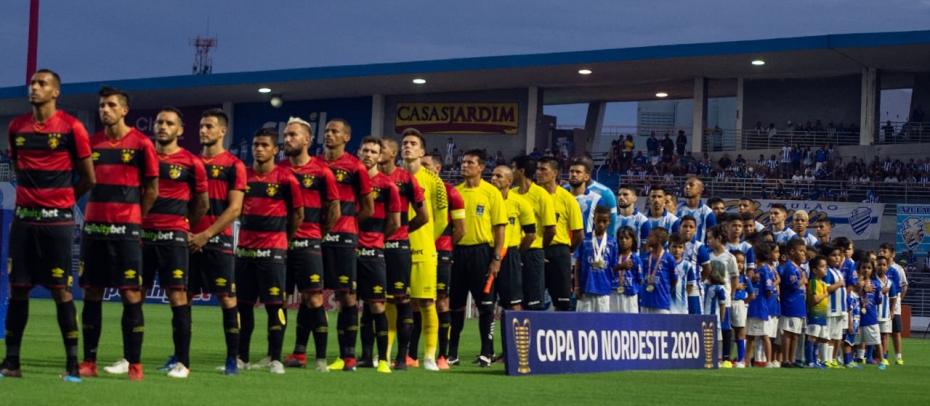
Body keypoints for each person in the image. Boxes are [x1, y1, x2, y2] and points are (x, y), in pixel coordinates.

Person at [1, 69, 95, 381]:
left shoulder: (72, 127)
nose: (34, 88)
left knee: (61, 291)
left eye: (41, 84)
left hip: (57, 225)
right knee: (18, 290)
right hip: (24, 223)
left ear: (55, 92)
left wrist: (62, 202)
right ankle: (11, 364)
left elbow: (88, 177)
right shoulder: (17, 126)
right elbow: (17, 165)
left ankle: (71, 366)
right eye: (32, 83)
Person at [79, 87, 159, 381]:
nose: (105, 110)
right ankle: (88, 361)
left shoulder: (141, 144)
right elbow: (83, 180)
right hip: (95, 231)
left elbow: (152, 189)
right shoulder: (91, 143)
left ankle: (135, 364)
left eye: (111, 105)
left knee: (131, 294)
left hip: (126, 232)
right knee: (91, 292)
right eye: (101, 105)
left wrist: (135, 218)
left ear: (124, 110)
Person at [144, 107, 209, 379]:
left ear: (180, 130)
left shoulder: (192, 163)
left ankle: (183, 362)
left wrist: (181, 224)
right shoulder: (143, 158)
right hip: (144, 238)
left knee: (178, 296)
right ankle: (129, 358)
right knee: (133, 294)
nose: (163, 127)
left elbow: (202, 205)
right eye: (159, 122)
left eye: (169, 123)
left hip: (173, 238)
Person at [235, 128, 303, 375]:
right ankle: (240, 357)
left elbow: (298, 214)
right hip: (245, 253)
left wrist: (284, 238)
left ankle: (276, 358)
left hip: (273, 254)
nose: (259, 149)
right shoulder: (243, 177)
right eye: (255, 144)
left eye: (264, 145)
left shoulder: (286, 179)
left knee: (275, 306)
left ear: (275, 150)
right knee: (243, 307)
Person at [187, 108, 247, 375]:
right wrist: (188, 232)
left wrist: (206, 234)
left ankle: (232, 360)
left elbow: (235, 209)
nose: (203, 131)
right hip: (188, 240)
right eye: (201, 126)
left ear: (222, 131)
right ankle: (180, 357)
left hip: (217, 242)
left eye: (209, 126)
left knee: (227, 299)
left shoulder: (234, 165)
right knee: (181, 298)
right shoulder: (190, 163)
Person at [279, 117, 340, 372]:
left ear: (307, 139)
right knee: (277, 301)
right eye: (285, 135)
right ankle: (276, 355)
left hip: (309, 243)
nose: (287, 139)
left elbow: (333, 210)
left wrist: (316, 234)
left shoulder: (322, 172)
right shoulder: (278, 169)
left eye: (293, 135)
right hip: (279, 245)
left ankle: (322, 359)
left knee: (314, 299)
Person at [321, 119, 373, 372]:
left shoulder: (356, 167)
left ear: (347, 137)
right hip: (316, 238)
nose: (329, 135)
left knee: (347, 295)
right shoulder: (316, 164)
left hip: (343, 239)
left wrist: (348, 225)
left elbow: (368, 207)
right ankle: (302, 352)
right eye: (327, 131)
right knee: (311, 293)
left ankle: (348, 356)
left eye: (335, 131)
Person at [397, 129, 448, 371]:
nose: (407, 146)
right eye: (405, 143)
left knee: (427, 302)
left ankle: (429, 356)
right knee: (395, 302)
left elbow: (441, 219)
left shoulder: (434, 181)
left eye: (413, 143)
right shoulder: (393, 176)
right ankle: (394, 354)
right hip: (396, 247)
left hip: (424, 248)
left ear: (422, 151)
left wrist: (426, 237)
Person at [452, 150, 506, 367]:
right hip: (458, 253)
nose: (465, 166)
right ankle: (451, 352)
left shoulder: (491, 193)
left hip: (482, 253)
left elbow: (500, 229)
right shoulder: (454, 192)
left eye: (470, 162)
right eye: (463, 162)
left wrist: (496, 258)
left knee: (485, 306)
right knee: (455, 306)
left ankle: (486, 352)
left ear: (481, 167)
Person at [377, 138, 427, 370]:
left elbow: (423, 215)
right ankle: (371, 355)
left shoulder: (406, 179)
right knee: (372, 300)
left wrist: (402, 231)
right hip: (372, 246)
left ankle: (402, 357)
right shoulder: (367, 176)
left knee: (402, 299)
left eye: (382, 149)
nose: (377, 152)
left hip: (397, 247)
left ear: (393, 153)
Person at [354, 137, 401, 374]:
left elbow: (395, 222)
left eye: (374, 151)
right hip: (350, 250)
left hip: (373, 252)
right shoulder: (349, 181)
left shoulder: (387, 186)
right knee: (352, 304)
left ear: (380, 155)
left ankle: (383, 359)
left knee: (377, 305)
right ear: (359, 152)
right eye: (366, 150)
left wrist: (378, 238)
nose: (369, 154)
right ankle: (359, 357)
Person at [418, 152, 465, 369]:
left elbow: (460, 229)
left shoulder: (450, 192)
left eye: (426, 165)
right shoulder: (413, 186)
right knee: (414, 301)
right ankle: (410, 354)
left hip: (441, 252)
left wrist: (444, 247)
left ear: (437, 169)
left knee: (441, 302)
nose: (422, 167)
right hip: (417, 249)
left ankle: (442, 356)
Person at [490, 164, 535, 358]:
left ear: (509, 181)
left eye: (499, 176)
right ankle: (487, 350)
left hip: (510, 255)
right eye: (492, 175)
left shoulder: (520, 203)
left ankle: (514, 350)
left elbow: (531, 234)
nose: (493, 179)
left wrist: (515, 252)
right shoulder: (486, 198)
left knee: (513, 303)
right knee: (487, 304)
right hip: (487, 253)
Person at [536, 156, 583, 311]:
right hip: (534, 251)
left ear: (555, 173)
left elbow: (578, 234)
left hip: (558, 251)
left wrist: (565, 250)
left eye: (543, 169)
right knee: (533, 300)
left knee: (562, 302)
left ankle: (560, 333)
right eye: (537, 169)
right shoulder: (531, 196)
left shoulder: (567, 199)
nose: (539, 172)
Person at [511, 155, 556, 311]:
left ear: (521, 171)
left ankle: (534, 334)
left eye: (513, 168)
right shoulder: (512, 194)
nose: (510, 172)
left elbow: (551, 229)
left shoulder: (541, 195)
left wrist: (539, 248)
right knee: (514, 300)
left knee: (534, 302)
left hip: (532, 252)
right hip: (514, 252)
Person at [574, 205, 618, 312]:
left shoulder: (612, 243)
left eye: (604, 221)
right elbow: (578, 264)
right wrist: (577, 286)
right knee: (583, 323)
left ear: (609, 222)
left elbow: (614, 266)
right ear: (594, 219)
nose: (601, 224)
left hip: (604, 290)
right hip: (586, 288)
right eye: (598, 221)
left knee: (602, 324)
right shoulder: (585, 240)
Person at [707, 227, 738, 367]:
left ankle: (726, 357)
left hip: (724, 298)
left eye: (710, 238)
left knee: (725, 327)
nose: (708, 241)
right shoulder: (708, 255)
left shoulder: (730, 257)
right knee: (711, 326)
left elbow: (734, 277)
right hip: (710, 297)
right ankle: (711, 355)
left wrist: (730, 294)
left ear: (719, 239)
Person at [567, 156, 617, 238]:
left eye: (578, 172)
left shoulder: (605, 194)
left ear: (587, 174)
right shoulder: (563, 191)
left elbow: (611, 224)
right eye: (571, 171)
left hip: (589, 243)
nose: (574, 174)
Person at [778, 238, 808, 368]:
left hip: (799, 305)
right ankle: (785, 359)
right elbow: (793, 285)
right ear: (792, 251)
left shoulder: (799, 268)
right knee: (788, 333)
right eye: (800, 251)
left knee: (795, 334)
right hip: (790, 304)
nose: (803, 254)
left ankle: (792, 358)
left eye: (804, 251)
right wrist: (802, 280)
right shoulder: (790, 267)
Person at [878, 243, 906, 365]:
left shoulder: (897, 269)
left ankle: (898, 356)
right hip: (881, 305)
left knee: (896, 331)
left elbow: (903, 286)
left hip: (894, 304)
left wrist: (898, 301)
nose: (881, 253)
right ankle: (884, 355)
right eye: (880, 251)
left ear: (892, 254)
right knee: (883, 331)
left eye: (884, 251)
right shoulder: (877, 267)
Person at [639, 228, 677, 314]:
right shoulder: (645, 257)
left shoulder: (669, 258)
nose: (648, 238)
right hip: (645, 302)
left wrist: (665, 291)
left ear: (659, 239)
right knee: (644, 327)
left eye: (650, 236)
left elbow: (674, 280)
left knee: (661, 327)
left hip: (661, 303)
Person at [747, 242, 774, 367]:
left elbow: (769, 289)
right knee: (751, 336)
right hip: (755, 305)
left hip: (760, 306)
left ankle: (768, 361)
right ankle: (746, 361)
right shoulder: (760, 269)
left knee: (763, 335)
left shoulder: (764, 270)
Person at [857, 260, 886, 370]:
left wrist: (872, 294)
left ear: (872, 270)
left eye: (869, 268)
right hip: (857, 315)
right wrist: (862, 289)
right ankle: (859, 358)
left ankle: (882, 361)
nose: (866, 270)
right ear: (859, 269)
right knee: (858, 340)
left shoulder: (876, 284)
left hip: (870, 316)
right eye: (863, 267)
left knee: (876, 340)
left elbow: (879, 300)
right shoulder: (857, 283)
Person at [822, 244, 847, 368]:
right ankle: (826, 359)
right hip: (830, 309)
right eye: (833, 255)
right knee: (828, 336)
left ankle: (833, 359)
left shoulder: (838, 271)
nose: (837, 258)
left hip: (839, 309)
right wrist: (838, 284)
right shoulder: (828, 272)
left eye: (838, 255)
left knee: (837, 336)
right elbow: (826, 288)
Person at [805, 255, 830, 368]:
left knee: (819, 339)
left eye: (826, 266)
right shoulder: (814, 282)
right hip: (815, 314)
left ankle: (815, 360)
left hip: (822, 316)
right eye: (822, 266)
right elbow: (814, 299)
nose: (825, 269)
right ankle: (810, 361)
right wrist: (825, 294)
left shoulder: (823, 283)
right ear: (814, 270)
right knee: (812, 337)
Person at [676, 177, 717, 242]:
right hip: (679, 250)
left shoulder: (708, 213)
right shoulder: (677, 210)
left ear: (701, 189)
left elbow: (713, 237)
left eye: (691, 185)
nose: (687, 187)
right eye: (685, 185)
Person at [614, 227, 641, 313]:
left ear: (633, 240)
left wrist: (634, 290)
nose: (624, 240)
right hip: (614, 292)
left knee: (630, 323)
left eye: (627, 238)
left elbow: (640, 279)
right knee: (612, 323)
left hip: (630, 295)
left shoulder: (636, 258)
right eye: (621, 238)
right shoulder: (614, 257)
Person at [731, 250, 750, 368]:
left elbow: (752, 294)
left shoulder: (745, 278)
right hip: (728, 304)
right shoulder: (728, 278)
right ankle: (726, 358)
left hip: (739, 304)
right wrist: (734, 287)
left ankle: (741, 359)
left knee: (740, 332)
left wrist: (743, 302)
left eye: (742, 262)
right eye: (737, 261)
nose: (739, 265)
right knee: (728, 332)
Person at [668, 234, 692, 315]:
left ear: (684, 249)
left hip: (682, 307)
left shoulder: (687, 265)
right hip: (666, 307)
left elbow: (690, 286)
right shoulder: (664, 264)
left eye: (680, 247)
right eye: (674, 246)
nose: (677, 250)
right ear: (668, 248)